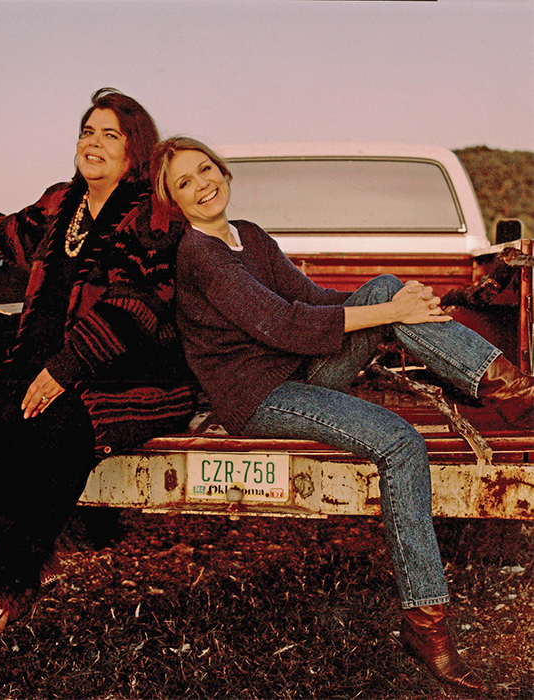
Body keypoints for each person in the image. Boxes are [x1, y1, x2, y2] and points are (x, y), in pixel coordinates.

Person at [151, 136, 534, 693]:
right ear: (173, 201)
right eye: (184, 183)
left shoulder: (248, 236)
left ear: (223, 170)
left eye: (206, 169)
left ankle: (513, 389)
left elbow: (311, 297)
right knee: (400, 442)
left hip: (298, 369)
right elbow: (284, 324)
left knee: (382, 286)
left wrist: (398, 303)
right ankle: (426, 624)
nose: (202, 185)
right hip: (256, 394)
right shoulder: (199, 255)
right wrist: (392, 311)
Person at [0, 90, 196, 647]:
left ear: (134, 151)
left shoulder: (153, 211)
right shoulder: (60, 203)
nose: (92, 144)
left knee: (61, 421)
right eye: (86, 132)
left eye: (109, 135)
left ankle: (7, 580)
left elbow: (138, 302)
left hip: (133, 371)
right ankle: (30, 560)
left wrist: (65, 368)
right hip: (44, 362)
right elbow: (5, 230)